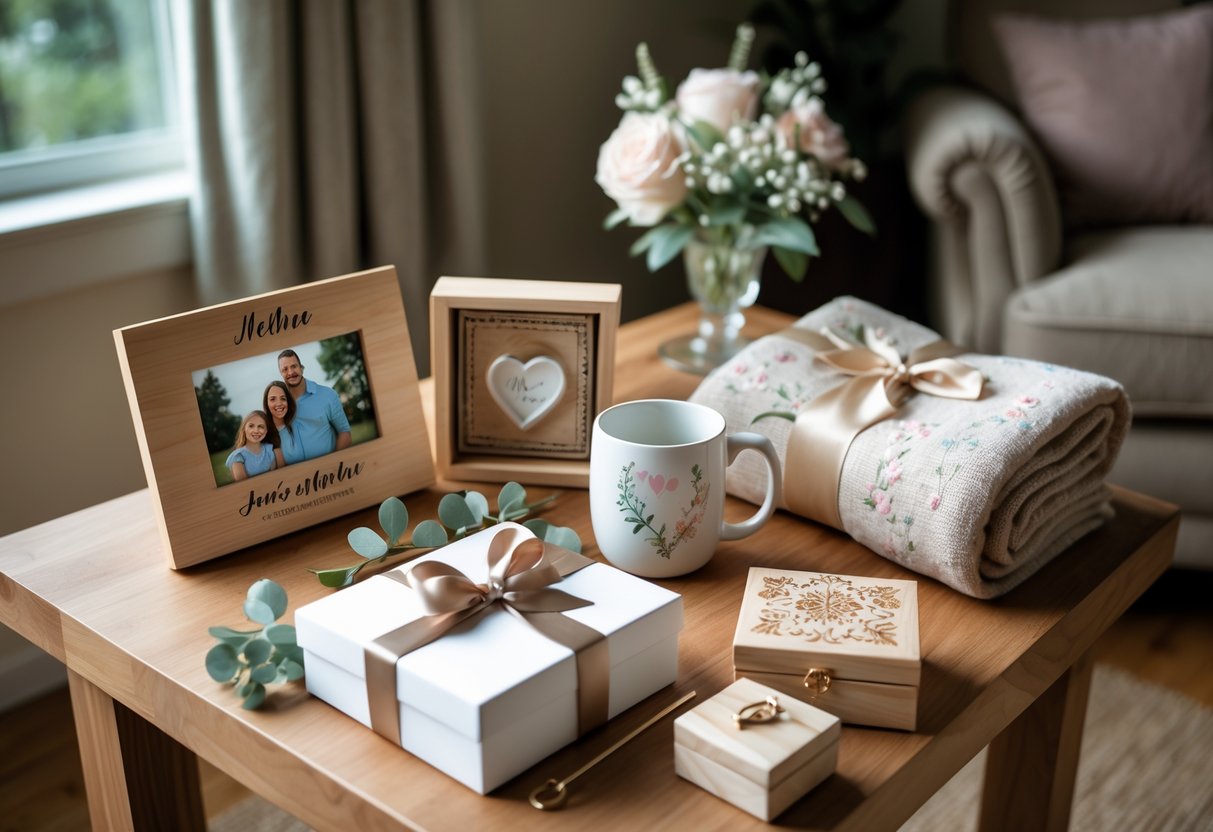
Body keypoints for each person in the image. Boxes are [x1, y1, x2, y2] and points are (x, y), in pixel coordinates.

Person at [276, 349, 351, 463]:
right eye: (285, 369)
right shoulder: (278, 405)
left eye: (294, 366)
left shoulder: (327, 395)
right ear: (281, 374)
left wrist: (335, 463)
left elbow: (344, 432)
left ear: (302, 368)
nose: (291, 372)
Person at [225, 411, 281, 481]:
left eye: (261, 426)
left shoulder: (270, 450)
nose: (256, 431)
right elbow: (243, 486)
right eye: (251, 426)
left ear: (266, 430)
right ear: (244, 429)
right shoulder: (238, 456)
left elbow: (277, 478)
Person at [263, 380, 299, 466]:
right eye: (272, 399)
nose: (278, 403)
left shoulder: (297, 426)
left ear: (288, 402)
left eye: (283, 399)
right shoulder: (262, 433)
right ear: (266, 403)